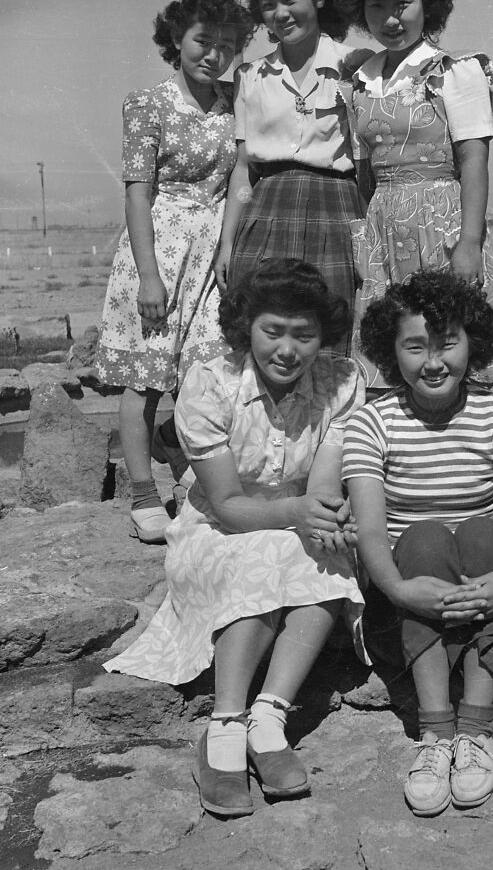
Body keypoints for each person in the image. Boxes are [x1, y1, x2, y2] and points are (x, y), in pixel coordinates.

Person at [104, 259, 367, 818]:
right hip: (215, 529)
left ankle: (268, 717)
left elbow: (321, 483)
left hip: (293, 521)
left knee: (323, 553)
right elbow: (225, 504)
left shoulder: (342, 382)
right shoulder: (209, 381)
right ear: (248, 327)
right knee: (264, 550)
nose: (288, 350)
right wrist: (302, 512)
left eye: (305, 335)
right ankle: (224, 724)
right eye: (273, 331)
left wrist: (321, 516)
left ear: (324, 337)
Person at [342, 269, 493, 817]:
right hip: (406, 584)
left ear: (473, 343)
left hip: (484, 574)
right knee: (425, 535)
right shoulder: (370, 423)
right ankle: (436, 733)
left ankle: (476, 729)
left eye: (447, 343)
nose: (434, 362)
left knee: (480, 529)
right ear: (391, 352)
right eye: (415, 347)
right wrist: (400, 591)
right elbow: (373, 529)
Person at [94, 0, 255, 544]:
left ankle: (177, 449)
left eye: (227, 45)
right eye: (202, 41)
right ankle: (142, 495)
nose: (213, 55)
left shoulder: (237, 100)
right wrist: (148, 274)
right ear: (176, 41)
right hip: (158, 247)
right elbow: (138, 193)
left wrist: (229, 244)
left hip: (212, 252)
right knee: (145, 380)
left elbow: (240, 175)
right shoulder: (147, 104)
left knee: (207, 372)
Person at [335, 0, 493, 387]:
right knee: (393, 345)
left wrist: (469, 242)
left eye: (402, 4)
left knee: (447, 339)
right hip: (383, 224)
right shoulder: (361, 79)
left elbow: (473, 160)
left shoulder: (455, 70)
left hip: (442, 223)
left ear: (426, 4)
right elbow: (365, 170)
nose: (391, 20)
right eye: (377, 7)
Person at [214, 0, 373, 354]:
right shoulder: (250, 76)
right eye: (268, 5)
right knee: (265, 335)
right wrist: (228, 242)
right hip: (266, 210)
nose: (281, 14)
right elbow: (243, 169)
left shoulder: (356, 64)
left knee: (329, 336)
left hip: (337, 210)